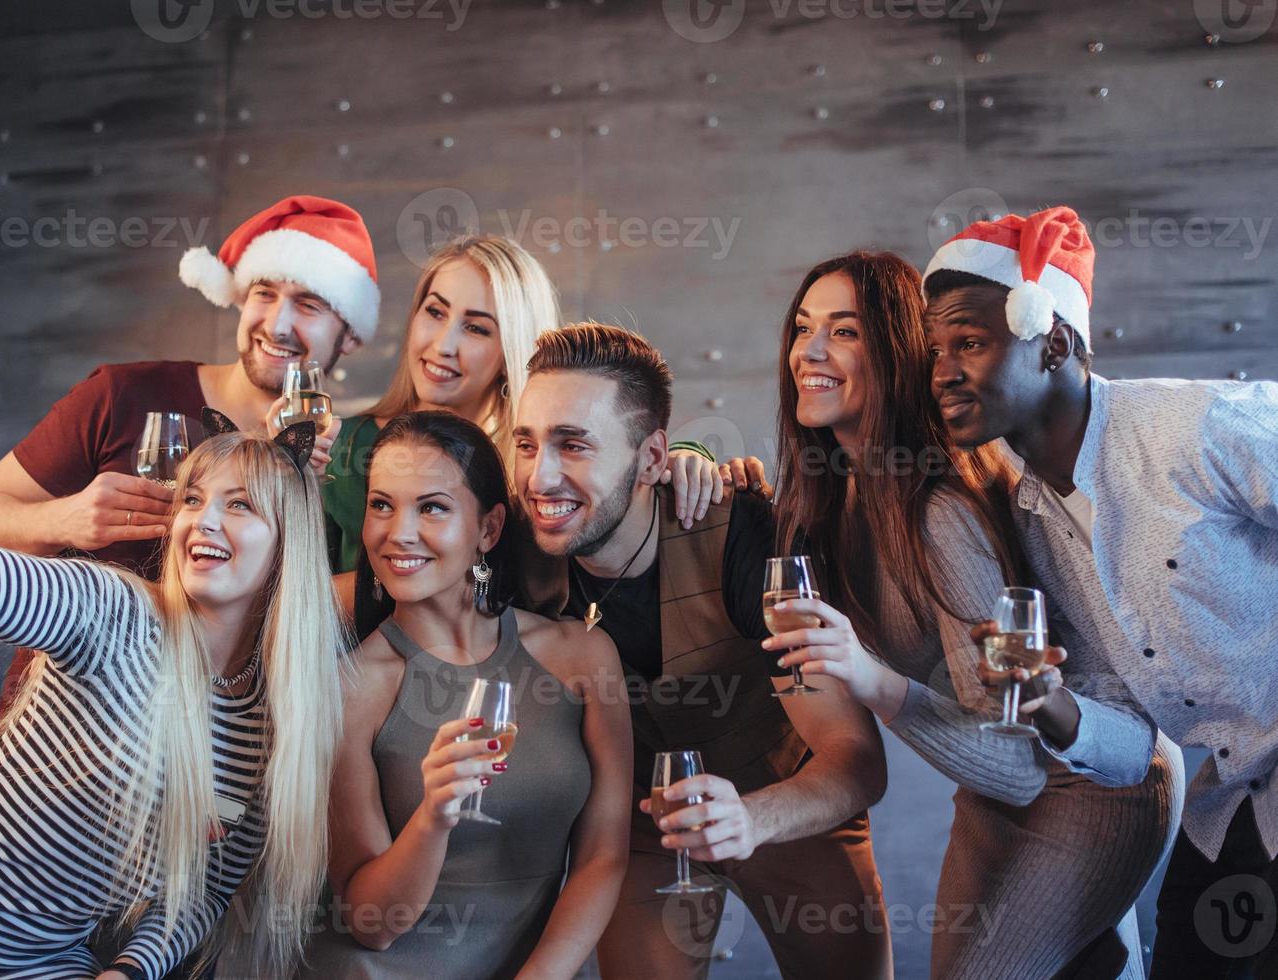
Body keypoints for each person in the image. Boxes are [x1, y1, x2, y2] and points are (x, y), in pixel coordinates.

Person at [0, 318, 347, 979]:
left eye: (241, 506)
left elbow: (202, 888)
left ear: (288, 547)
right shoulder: (110, 612)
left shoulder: (270, 719)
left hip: (38, 961)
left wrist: (130, 970)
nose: (204, 519)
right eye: (193, 498)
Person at [760, 250, 1181, 978]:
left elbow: (1021, 764)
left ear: (896, 353)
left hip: (1090, 784)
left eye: (845, 331)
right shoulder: (837, 502)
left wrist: (870, 680)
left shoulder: (939, 512)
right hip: (992, 792)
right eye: (804, 327)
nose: (812, 351)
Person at [921, 205, 1278, 978]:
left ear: (1053, 342)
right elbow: (1126, 737)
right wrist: (1051, 700)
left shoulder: (1194, 428)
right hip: (1229, 808)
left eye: (971, 342)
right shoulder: (1034, 525)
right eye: (937, 349)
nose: (943, 369)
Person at [510, 323, 893, 980]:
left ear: (655, 459)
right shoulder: (516, 550)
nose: (539, 476)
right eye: (526, 442)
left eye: (573, 444)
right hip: (643, 827)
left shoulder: (743, 532)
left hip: (786, 803)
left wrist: (750, 817)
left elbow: (856, 762)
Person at [0, 194, 377, 714]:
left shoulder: (352, 459)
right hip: (71, 734)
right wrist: (66, 519)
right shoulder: (123, 393)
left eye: (310, 305)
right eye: (264, 293)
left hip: (230, 747)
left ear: (352, 336)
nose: (278, 324)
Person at [301, 411, 630, 977]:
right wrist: (434, 814)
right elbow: (372, 925)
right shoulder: (349, 687)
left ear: (489, 529)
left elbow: (604, 855)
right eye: (382, 505)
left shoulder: (583, 657)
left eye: (431, 507)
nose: (397, 533)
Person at [326, 234, 726, 578]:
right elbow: (291, 599)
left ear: (511, 349)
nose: (442, 345)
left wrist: (689, 459)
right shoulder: (340, 448)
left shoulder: (532, 470)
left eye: (476, 328)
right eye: (435, 312)